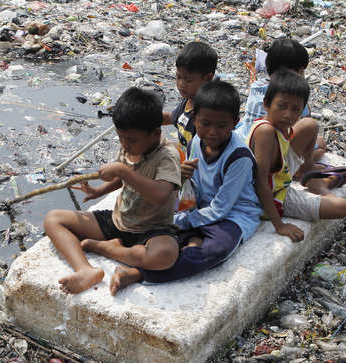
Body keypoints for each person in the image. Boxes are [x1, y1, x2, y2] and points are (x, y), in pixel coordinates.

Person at [95, 80, 262, 295]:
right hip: (200, 209)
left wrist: (181, 220)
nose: (212, 131)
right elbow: (193, 187)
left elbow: (221, 209)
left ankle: (139, 272)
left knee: (215, 251)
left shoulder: (240, 157)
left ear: (235, 123)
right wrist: (182, 177)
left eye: (222, 126)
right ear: (194, 120)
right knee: (167, 237)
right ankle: (173, 246)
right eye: (205, 123)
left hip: (233, 216)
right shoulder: (195, 143)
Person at [43, 87, 181, 295]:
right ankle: (85, 270)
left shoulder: (167, 156)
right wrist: (100, 191)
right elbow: (121, 179)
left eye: (132, 140)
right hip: (119, 221)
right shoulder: (130, 146)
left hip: (152, 229)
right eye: (121, 138)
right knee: (53, 219)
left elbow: (161, 194)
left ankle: (107, 248)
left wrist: (124, 172)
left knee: (165, 255)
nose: (125, 144)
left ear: (156, 134)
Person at [246, 69, 346, 244]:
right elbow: (260, 183)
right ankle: (320, 188)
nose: (288, 115)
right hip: (274, 195)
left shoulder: (277, 126)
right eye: (282, 106)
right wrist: (279, 225)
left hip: (281, 174)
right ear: (266, 104)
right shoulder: (265, 131)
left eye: (296, 109)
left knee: (310, 125)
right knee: (342, 207)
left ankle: (306, 170)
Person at [237, 37, 326, 165]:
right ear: (299, 71)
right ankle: (300, 169)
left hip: (245, 142)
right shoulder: (294, 96)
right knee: (320, 143)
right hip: (272, 155)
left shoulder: (257, 86)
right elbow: (301, 125)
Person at [162, 41, 218, 158]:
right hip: (185, 154)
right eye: (178, 77)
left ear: (208, 78)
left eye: (188, 80)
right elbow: (172, 118)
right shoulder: (189, 100)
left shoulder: (206, 113)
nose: (181, 84)